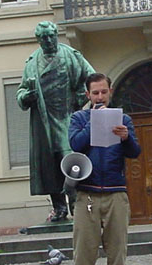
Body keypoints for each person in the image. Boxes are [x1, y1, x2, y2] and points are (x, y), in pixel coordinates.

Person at [63, 73, 141, 265]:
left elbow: (135, 152)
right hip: (87, 192)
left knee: (117, 253)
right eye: (95, 93)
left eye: (103, 92)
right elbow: (75, 144)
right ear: (87, 95)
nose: (100, 97)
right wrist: (92, 122)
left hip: (116, 192)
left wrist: (125, 137)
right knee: (83, 254)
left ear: (110, 92)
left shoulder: (123, 119)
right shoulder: (78, 118)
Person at [16, 21, 95, 222]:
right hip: (44, 122)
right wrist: (26, 97)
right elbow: (21, 90)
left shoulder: (71, 55)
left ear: (56, 35)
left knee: (71, 163)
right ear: (38, 39)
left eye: (51, 35)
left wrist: (81, 96)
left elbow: (92, 78)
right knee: (50, 166)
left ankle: (78, 206)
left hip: (67, 117)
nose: (49, 40)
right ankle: (59, 208)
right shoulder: (32, 62)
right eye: (44, 37)